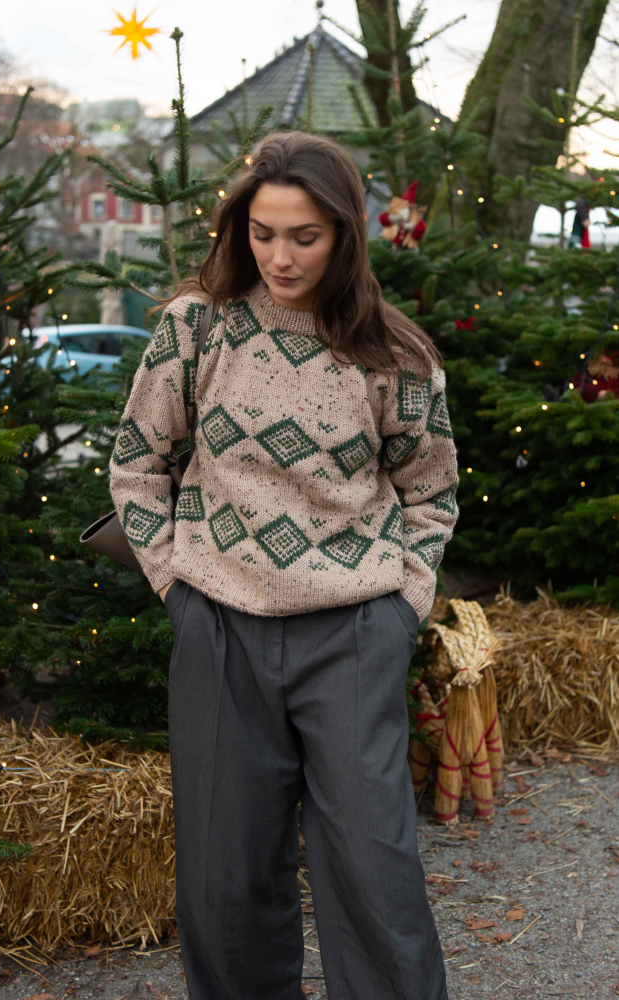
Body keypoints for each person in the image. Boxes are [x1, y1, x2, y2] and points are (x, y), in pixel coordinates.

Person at [109, 131, 458, 1000]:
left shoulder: (395, 357)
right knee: (224, 878)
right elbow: (137, 465)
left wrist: (402, 607)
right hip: (219, 627)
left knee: (374, 870)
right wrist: (176, 585)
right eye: (262, 233)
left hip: (353, 633)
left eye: (304, 236)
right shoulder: (197, 327)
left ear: (344, 234)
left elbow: (430, 493)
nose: (280, 257)